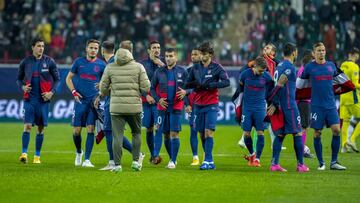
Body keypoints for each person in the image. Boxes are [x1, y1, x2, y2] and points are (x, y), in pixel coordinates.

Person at [99, 48, 150, 173]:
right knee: (136, 133)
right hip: (134, 107)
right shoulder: (138, 67)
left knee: (117, 136)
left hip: (116, 107)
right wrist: (137, 90)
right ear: (130, 55)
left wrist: (109, 92)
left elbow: (102, 88)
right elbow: (146, 87)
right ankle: (135, 162)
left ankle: (117, 165)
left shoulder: (110, 67)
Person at [300, 42, 346, 170]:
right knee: (317, 133)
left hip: (330, 105)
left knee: (337, 130)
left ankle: (334, 162)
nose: (321, 52)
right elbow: (301, 84)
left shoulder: (331, 66)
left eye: (323, 50)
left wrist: (348, 87)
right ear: (314, 53)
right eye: (319, 51)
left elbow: (340, 80)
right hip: (316, 106)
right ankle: (321, 163)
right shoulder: (309, 67)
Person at [186, 41, 230, 170]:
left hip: (211, 104)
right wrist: (195, 85)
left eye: (203, 54)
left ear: (210, 55)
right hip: (198, 104)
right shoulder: (195, 68)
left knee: (208, 132)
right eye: (200, 53)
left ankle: (208, 160)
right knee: (201, 133)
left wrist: (211, 85)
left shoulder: (217, 68)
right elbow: (187, 84)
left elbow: (226, 82)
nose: (201, 56)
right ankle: (208, 160)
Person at [17, 37, 60, 164]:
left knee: (40, 128)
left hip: (43, 100)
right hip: (29, 99)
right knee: (28, 126)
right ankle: (24, 154)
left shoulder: (49, 61)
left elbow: (57, 79)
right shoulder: (25, 62)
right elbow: (18, 79)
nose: (41, 48)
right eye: (38, 46)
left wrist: (51, 92)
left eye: (42, 46)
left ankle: (37, 156)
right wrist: (23, 86)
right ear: (32, 47)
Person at [93, 41, 135, 170]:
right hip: (118, 100)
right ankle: (137, 154)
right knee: (115, 132)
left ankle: (113, 162)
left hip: (113, 101)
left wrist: (101, 90)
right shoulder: (114, 61)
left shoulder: (111, 63)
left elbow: (115, 83)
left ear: (102, 50)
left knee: (109, 131)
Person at [268, 43, 309, 172]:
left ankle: (274, 164)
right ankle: (300, 165)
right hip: (289, 106)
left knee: (280, 135)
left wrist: (275, 103)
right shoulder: (290, 68)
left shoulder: (278, 66)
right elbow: (279, 86)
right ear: (294, 53)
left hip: (280, 105)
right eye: (296, 52)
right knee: (297, 133)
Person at [66, 39, 106, 167]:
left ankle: (87, 160)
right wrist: (73, 92)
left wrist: (100, 95)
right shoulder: (79, 62)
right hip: (80, 101)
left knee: (91, 129)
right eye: (91, 48)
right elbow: (68, 78)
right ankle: (79, 152)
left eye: (96, 48)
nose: (93, 50)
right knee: (76, 131)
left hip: (93, 102)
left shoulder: (102, 65)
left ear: (98, 50)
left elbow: (106, 83)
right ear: (86, 48)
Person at [151, 48, 188, 169]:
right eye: (166, 56)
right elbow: (151, 88)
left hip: (176, 107)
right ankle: (170, 157)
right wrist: (158, 99)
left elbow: (192, 87)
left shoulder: (183, 71)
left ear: (176, 57)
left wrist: (186, 91)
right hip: (162, 107)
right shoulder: (159, 72)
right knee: (164, 134)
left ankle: (173, 160)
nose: (168, 58)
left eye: (171, 56)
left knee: (174, 133)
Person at [239, 57, 274, 167]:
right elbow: (240, 88)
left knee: (260, 132)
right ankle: (252, 154)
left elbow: (271, 90)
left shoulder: (267, 77)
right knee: (247, 133)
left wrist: (271, 103)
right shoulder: (245, 74)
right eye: (260, 70)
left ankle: (257, 159)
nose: (261, 73)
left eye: (264, 71)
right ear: (254, 66)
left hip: (260, 108)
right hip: (247, 108)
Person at [140, 40, 165, 164]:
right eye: (154, 47)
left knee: (158, 127)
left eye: (158, 47)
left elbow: (171, 77)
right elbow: (137, 82)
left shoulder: (164, 64)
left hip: (159, 102)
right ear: (149, 50)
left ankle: (156, 155)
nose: (157, 49)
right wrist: (145, 95)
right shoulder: (142, 64)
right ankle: (152, 155)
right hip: (145, 102)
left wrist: (160, 63)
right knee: (149, 128)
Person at [339, 47, 360, 153]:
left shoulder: (342, 65)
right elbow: (355, 84)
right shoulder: (355, 66)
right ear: (355, 55)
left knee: (345, 122)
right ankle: (351, 140)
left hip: (343, 97)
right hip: (352, 98)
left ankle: (343, 146)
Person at [296, 50, 315, 158]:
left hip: (302, 101)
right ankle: (302, 149)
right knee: (304, 127)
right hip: (304, 101)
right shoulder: (306, 70)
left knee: (303, 127)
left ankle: (302, 148)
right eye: (313, 57)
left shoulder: (302, 69)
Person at [186, 47, 202, 165]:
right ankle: (195, 157)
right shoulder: (188, 71)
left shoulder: (207, 70)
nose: (193, 56)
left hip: (204, 104)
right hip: (193, 105)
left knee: (204, 131)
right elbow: (184, 89)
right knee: (193, 130)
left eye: (195, 54)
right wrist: (186, 104)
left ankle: (207, 155)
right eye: (192, 54)